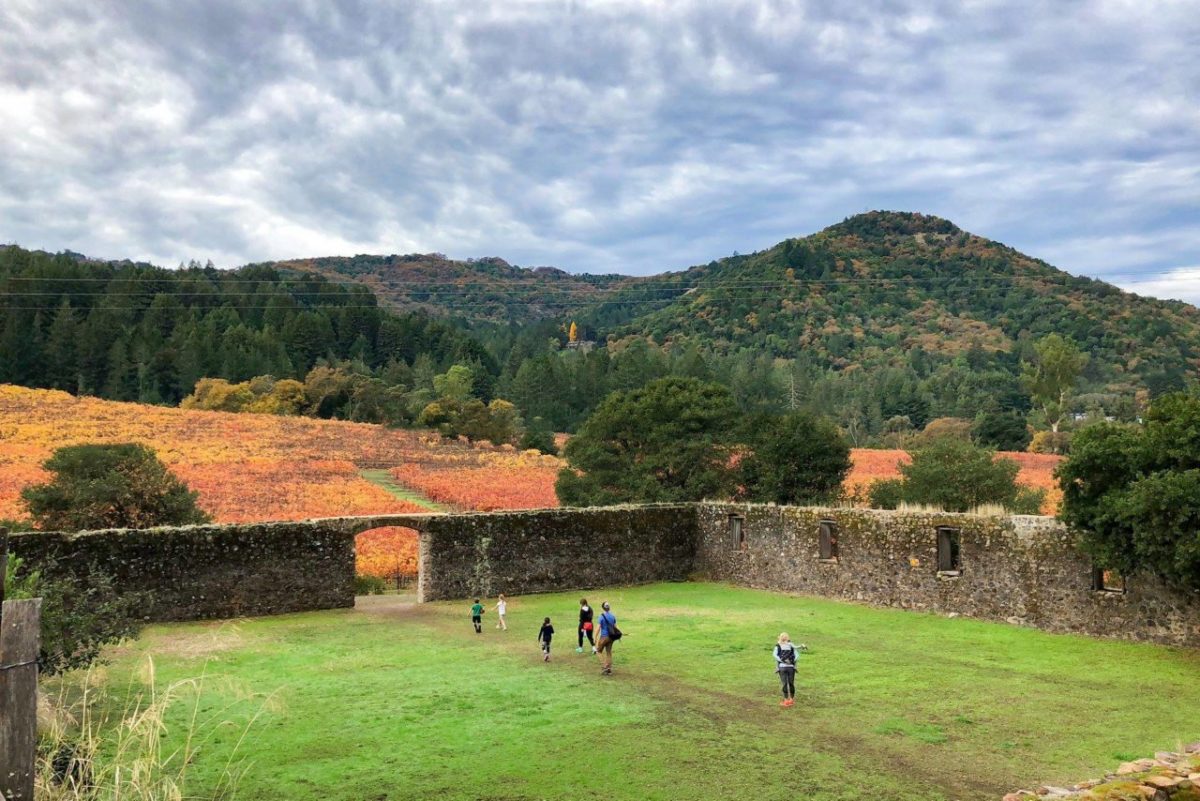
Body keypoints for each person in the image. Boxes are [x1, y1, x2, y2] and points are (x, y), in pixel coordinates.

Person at [774, 632, 799, 707]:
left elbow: (775, 655)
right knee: (791, 683)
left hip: (782, 667)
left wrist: (782, 660)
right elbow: (797, 655)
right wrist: (791, 661)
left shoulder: (778, 646)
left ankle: (786, 700)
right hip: (791, 667)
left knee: (784, 683)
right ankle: (791, 699)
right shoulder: (791, 645)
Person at [596, 601, 618, 676]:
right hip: (611, 637)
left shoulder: (601, 616)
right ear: (609, 608)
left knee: (598, 651)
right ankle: (609, 669)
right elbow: (615, 627)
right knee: (609, 653)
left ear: (603, 608)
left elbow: (598, 628)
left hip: (604, 637)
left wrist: (595, 637)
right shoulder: (612, 616)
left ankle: (605, 666)